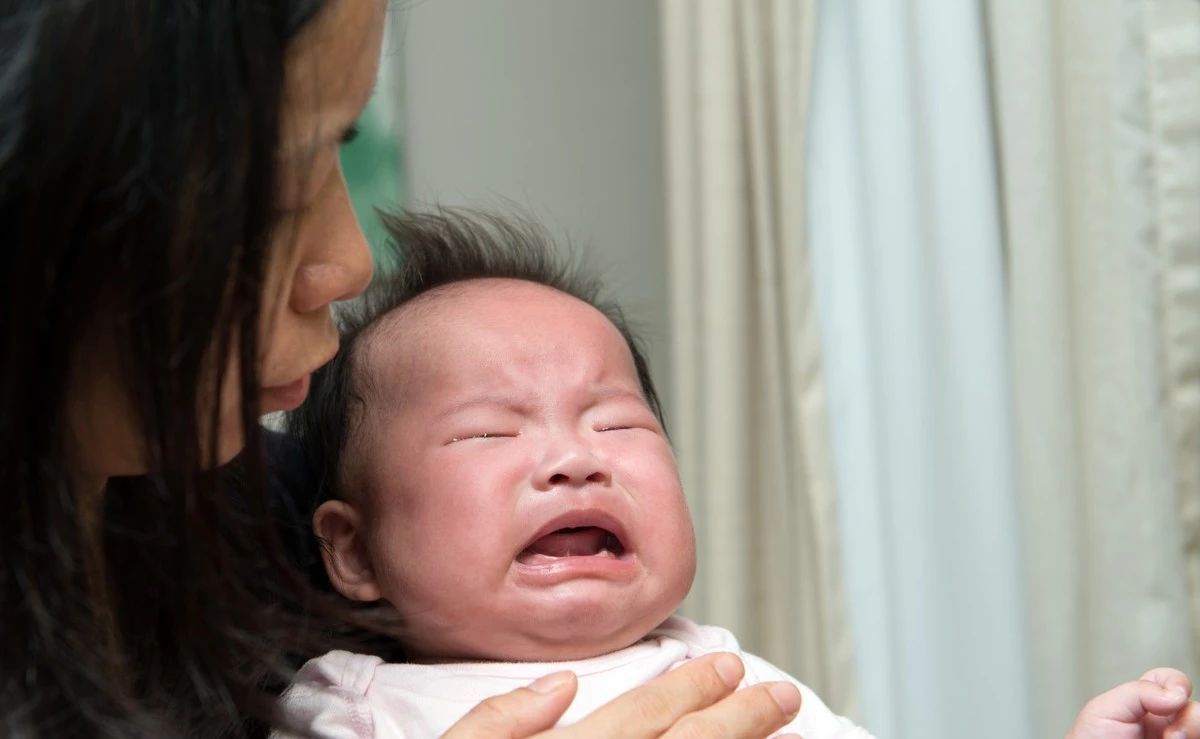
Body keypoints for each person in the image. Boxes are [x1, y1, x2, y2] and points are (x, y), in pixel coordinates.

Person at [1, 3, 809, 737]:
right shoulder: (350, 695)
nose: (348, 262)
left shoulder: (266, 516)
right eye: (282, 189)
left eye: (618, 423)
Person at [278, 209, 1200, 739]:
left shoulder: (725, 673)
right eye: (488, 433)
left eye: (617, 419)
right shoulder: (357, 707)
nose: (574, 458)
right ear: (353, 551)